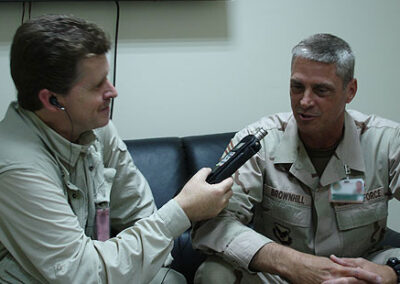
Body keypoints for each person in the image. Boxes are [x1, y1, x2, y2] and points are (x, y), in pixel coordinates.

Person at [0, 14, 233, 283]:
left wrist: (139, 259)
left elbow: (140, 215)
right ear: (53, 100)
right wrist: (182, 210)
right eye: (97, 85)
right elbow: (83, 274)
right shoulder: (16, 166)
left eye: (107, 78)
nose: (113, 91)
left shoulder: (97, 128)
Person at [192, 33, 400, 283]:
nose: (305, 101)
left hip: (359, 271)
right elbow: (212, 223)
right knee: (215, 274)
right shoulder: (257, 143)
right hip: (280, 274)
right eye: (297, 87)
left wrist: (392, 272)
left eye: (321, 90)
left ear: (350, 91)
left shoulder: (388, 142)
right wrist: (293, 264)